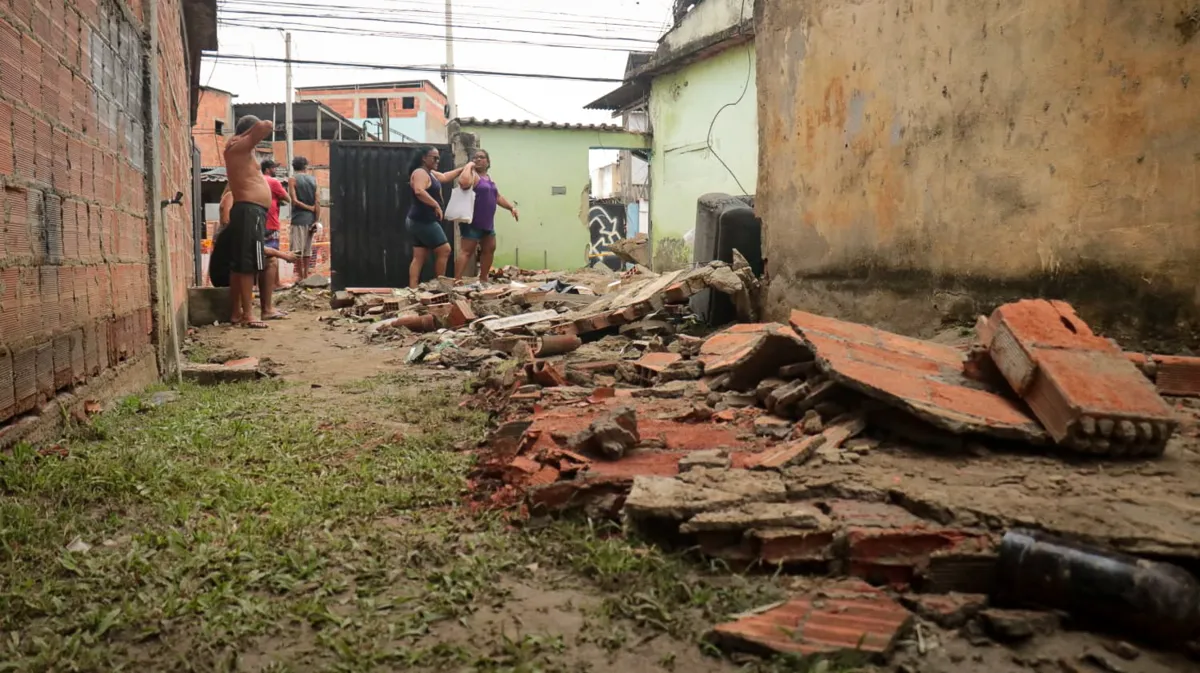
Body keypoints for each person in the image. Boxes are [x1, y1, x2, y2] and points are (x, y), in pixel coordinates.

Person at [218, 115, 276, 328]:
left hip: (250, 211)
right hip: (249, 211)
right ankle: (248, 315)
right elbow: (266, 125)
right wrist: (245, 134)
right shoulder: (239, 146)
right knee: (247, 264)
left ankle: (237, 312)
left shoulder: (239, 149)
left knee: (242, 264)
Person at [406, 146, 469, 287]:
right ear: (424, 158)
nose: (437, 160)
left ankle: (413, 288)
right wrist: (436, 205)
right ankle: (440, 285)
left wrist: (462, 169)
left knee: (419, 256)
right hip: (423, 220)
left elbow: (445, 177)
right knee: (444, 250)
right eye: (434, 157)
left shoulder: (430, 173)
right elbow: (419, 190)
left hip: (417, 220)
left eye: (438, 158)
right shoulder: (420, 172)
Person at [453, 149, 518, 284]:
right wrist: (468, 166)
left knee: (490, 248)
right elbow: (463, 183)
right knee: (466, 251)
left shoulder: (488, 178)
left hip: (487, 221)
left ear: (488, 162)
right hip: (473, 221)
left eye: (481, 157)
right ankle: (457, 280)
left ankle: (483, 279)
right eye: (475, 157)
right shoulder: (472, 175)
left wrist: (511, 207)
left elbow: (497, 197)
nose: (477, 160)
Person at [259, 159, 290, 318]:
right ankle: (267, 308)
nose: (275, 170)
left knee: (260, 263)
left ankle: (266, 306)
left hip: (257, 225)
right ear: (268, 169)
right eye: (274, 168)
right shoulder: (273, 181)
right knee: (271, 261)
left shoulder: (256, 181)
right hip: (271, 224)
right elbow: (288, 198)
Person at [288, 156, 320, 282]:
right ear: (305, 166)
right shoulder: (314, 180)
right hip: (311, 220)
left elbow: (294, 201)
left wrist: (308, 208)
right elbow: (317, 201)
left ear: (294, 166)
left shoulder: (292, 179)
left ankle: (300, 277)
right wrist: (316, 220)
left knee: (297, 250)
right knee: (307, 250)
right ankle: (306, 276)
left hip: (298, 219)